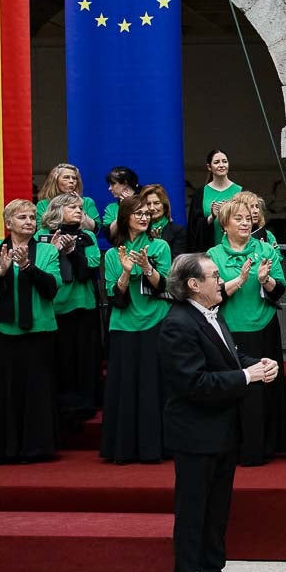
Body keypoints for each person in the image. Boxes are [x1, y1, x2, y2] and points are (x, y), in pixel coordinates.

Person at [160, 252, 279, 572]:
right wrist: (248, 377)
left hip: (223, 429)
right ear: (193, 284)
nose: (220, 279)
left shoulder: (211, 314)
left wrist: (254, 364)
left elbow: (229, 356)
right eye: (213, 275)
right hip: (195, 432)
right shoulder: (177, 324)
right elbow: (195, 383)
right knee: (193, 513)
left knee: (216, 509)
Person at [0, 200, 62, 464]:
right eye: (22, 217)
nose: (29, 221)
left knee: (36, 390)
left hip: (38, 332)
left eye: (33, 216)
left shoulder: (46, 251)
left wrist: (29, 268)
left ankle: (36, 449)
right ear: (8, 223)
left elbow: (52, 288)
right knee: (2, 391)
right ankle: (4, 449)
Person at [207, 193, 286, 465]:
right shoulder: (213, 255)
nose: (245, 223)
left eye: (247, 218)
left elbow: (280, 289)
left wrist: (266, 281)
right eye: (237, 219)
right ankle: (234, 447)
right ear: (225, 224)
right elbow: (209, 295)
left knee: (266, 388)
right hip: (229, 332)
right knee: (235, 390)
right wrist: (239, 280)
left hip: (263, 327)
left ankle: (267, 446)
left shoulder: (265, 249)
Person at [101, 193, 172, 463]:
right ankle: (124, 448)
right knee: (125, 386)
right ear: (125, 218)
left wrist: (146, 268)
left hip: (155, 320)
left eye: (147, 213)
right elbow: (114, 297)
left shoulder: (160, 247)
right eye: (138, 213)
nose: (145, 217)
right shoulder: (112, 254)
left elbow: (163, 286)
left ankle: (157, 447)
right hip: (124, 325)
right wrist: (126, 272)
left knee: (155, 386)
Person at [41, 193, 103, 427]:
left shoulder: (87, 236)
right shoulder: (40, 237)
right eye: (73, 208)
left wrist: (71, 252)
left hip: (83, 304)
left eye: (80, 208)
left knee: (84, 358)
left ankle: (84, 403)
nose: (79, 211)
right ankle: (60, 404)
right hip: (55, 306)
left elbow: (90, 269)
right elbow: (40, 268)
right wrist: (55, 250)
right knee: (60, 359)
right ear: (57, 211)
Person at [187, 149, 242, 250]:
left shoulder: (240, 191)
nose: (221, 165)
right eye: (216, 162)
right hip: (208, 251)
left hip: (236, 249)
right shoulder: (200, 194)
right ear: (209, 167)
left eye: (224, 161)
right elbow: (193, 227)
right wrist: (211, 217)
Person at [35, 163, 99, 233]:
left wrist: (80, 207)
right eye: (66, 177)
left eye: (74, 178)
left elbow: (95, 230)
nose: (71, 181)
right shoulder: (43, 204)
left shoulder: (87, 202)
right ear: (55, 181)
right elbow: (42, 229)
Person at [141, 184, 189, 260]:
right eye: (148, 204)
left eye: (157, 203)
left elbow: (177, 261)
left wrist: (158, 244)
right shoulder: (139, 229)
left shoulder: (178, 230)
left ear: (165, 206)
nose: (152, 208)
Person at [100, 165, 139, 242]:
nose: (110, 188)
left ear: (125, 183)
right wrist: (124, 209)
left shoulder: (146, 200)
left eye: (113, 184)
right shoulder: (111, 208)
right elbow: (109, 235)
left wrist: (131, 204)